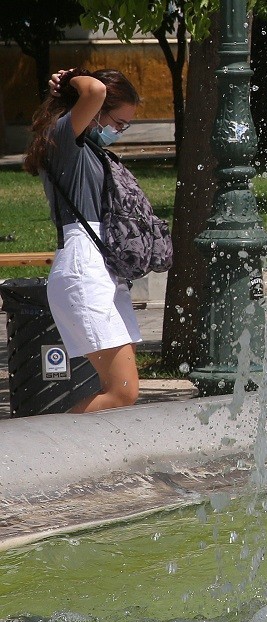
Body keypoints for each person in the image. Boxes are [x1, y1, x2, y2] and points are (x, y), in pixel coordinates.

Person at [23, 68, 143, 412]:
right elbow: (93, 90)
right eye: (117, 123)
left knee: (121, 392)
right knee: (122, 392)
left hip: (103, 267)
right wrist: (72, 76)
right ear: (93, 112)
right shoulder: (64, 140)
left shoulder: (87, 147)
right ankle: (47, 453)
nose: (117, 132)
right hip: (83, 266)